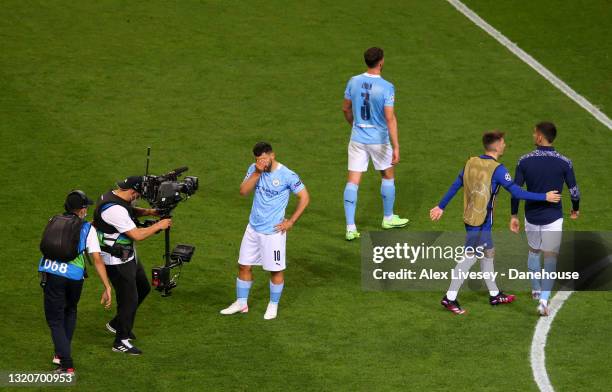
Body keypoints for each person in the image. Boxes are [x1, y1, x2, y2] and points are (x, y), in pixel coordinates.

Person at [430, 131, 561, 314]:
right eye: (503, 142)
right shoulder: (497, 170)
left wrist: (441, 206)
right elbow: (516, 192)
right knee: (470, 257)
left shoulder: (471, 162)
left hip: (471, 217)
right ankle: (449, 298)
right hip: (481, 221)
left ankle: (494, 294)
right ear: (497, 145)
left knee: (488, 253)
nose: (505, 145)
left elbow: (456, 184)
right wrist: (544, 196)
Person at [220, 142, 309, 320]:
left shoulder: (287, 175)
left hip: (273, 233)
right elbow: (243, 191)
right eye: (257, 159)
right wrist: (257, 172)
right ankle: (241, 302)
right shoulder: (255, 169)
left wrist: (291, 221)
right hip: (253, 228)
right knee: (244, 265)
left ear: (272, 155)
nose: (261, 162)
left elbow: (304, 197)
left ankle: (273, 304)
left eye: (263, 159)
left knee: (275, 270)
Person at [93, 176, 172, 354]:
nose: (138, 197)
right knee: (129, 299)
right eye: (138, 194)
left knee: (143, 287)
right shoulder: (115, 210)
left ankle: (116, 324)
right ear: (132, 191)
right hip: (116, 261)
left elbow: (129, 210)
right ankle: (120, 341)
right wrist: (159, 225)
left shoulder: (114, 196)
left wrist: (149, 212)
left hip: (128, 256)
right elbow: (137, 235)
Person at [509, 122, 580, 316]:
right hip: (553, 218)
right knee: (550, 258)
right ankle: (543, 300)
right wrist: (575, 209)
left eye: (534, 133)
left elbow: (515, 192)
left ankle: (535, 289)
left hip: (531, 217)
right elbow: (574, 191)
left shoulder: (524, 161)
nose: (533, 135)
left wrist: (513, 214)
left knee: (533, 251)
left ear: (540, 137)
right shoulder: (565, 162)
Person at [39, 190, 112, 373]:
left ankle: (66, 365)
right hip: (74, 278)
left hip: (52, 274)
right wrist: (107, 286)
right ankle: (60, 353)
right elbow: (96, 259)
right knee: (70, 310)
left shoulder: (53, 220)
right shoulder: (88, 229)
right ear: (81, 210)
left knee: (55, 320)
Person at [342, 47, 409, 241]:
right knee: (387, 175)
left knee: (352, 181)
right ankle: (388, 217)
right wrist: (396, 146)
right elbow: (390, 118)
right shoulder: (387, 87)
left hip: (357, 138)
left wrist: (354, 124)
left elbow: (345, 108)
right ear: (381, 62)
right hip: (379, 141)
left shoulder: (353, 81)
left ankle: (350, 227)